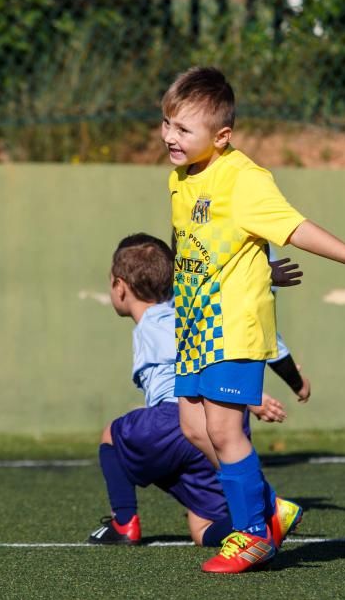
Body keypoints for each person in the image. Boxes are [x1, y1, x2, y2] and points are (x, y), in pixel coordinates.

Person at [163, 66, 345, 573]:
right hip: (193, 326)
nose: (170, 137)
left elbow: (296, 228)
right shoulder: (179, 178)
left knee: (226, 431)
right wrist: (258, 266)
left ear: (221, 137)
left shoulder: (245, 180)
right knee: (192, 427)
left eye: (183, 129)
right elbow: (204, 247)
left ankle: (254, 534)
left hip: (234, 327)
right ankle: (270, 509)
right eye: (166, 124)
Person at [88, 233, 310, 547]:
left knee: (111, 435)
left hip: (180, 416)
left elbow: (183, 350)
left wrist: (249, 397)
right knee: (203, 526)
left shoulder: (158, 321)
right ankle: (260, 523)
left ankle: (123, 523)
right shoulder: (187, 310)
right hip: (210, 427)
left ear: (120, 287)